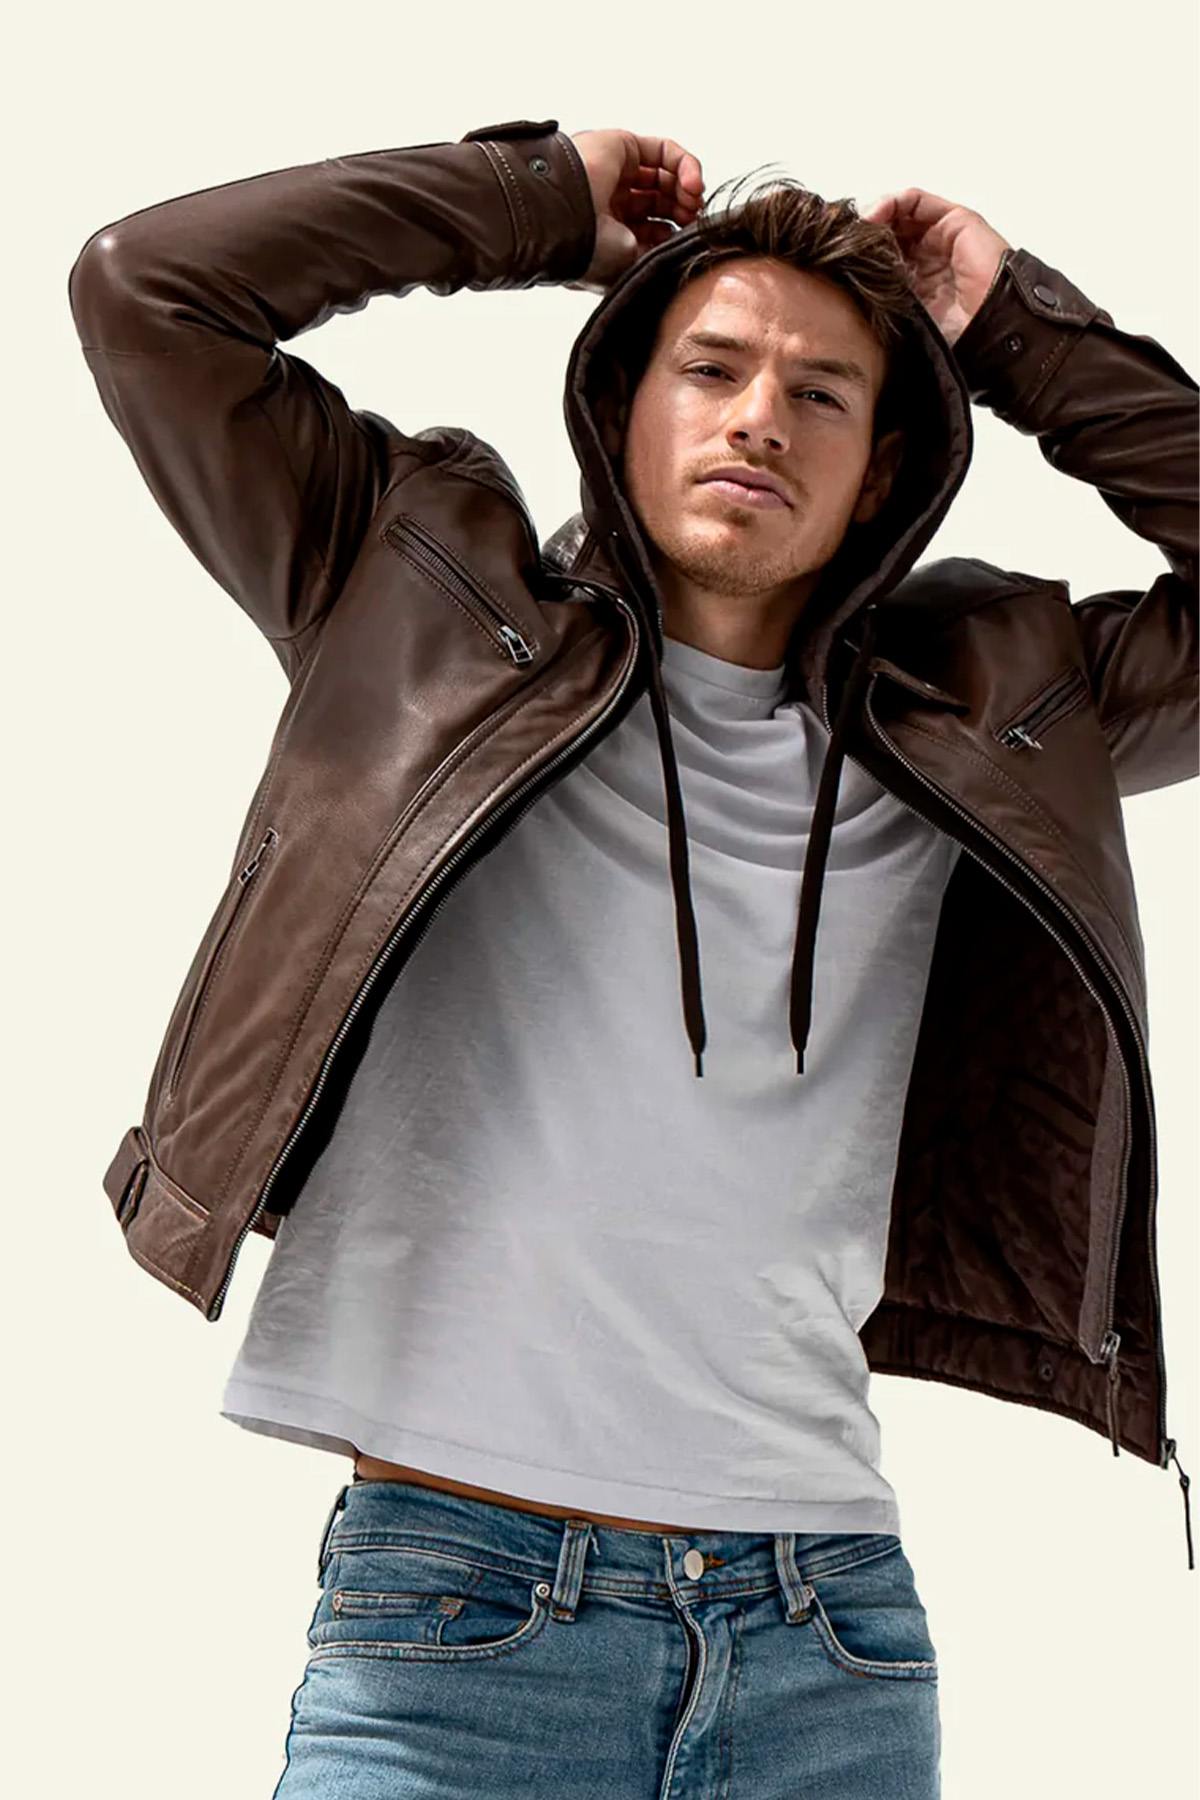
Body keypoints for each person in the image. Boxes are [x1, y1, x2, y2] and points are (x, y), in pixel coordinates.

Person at [70, 119, 1197, 1797]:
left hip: (829, 1644)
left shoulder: (988, 711)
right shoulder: (413, 600)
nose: (759, 418)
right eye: (713, 368)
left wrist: (1016, 331)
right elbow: (148, 292)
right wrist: (531, 204)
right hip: (456, 1624)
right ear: (624, 402)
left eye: (822, 391)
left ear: (884, 463)